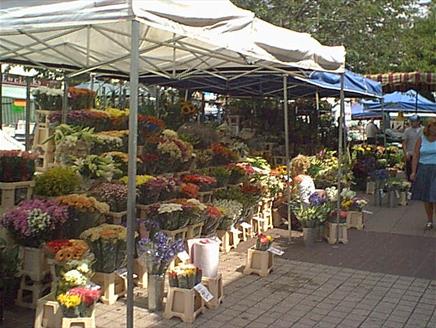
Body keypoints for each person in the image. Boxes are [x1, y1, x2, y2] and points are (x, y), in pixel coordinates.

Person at [410, 118, 436, 230]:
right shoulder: (421, 139)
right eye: (433, 126)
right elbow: (416, 155)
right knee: (427, 198)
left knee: (435, 196)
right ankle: (429, 220)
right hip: (424, 169)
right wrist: (413, 171)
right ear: (428, 127)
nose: (434, 128)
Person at [402, 115, 423, 181]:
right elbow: (404, 143)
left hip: (421, 155)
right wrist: (406, 153)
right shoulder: (407, 131)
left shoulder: (423, 130)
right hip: (410, 154)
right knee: (410, 172)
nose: (412, 123)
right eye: (411, 121)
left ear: (418, 122)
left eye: (414, 121)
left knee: (419, 173)